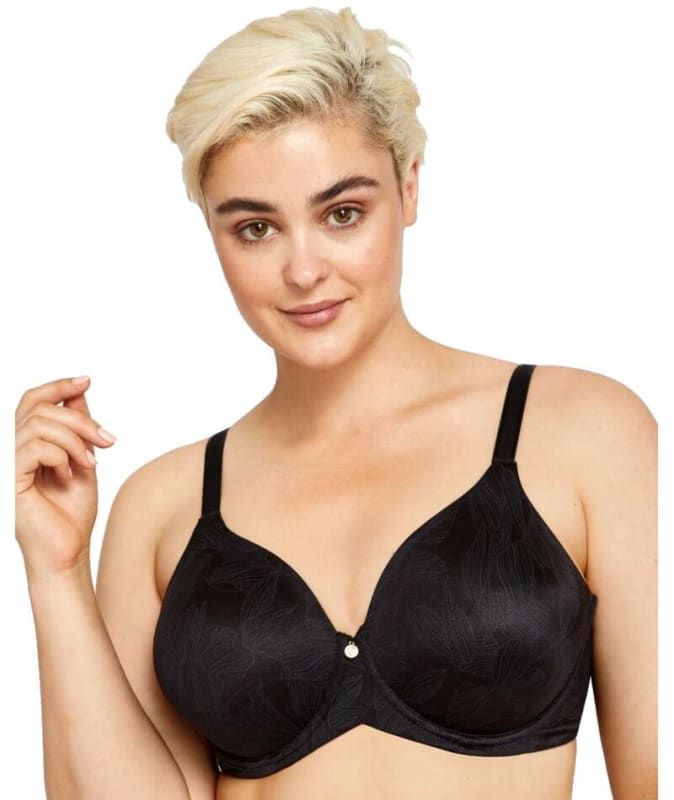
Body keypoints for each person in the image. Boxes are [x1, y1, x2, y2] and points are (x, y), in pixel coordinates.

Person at [14, 6, 657, 799]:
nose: (303, 270)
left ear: (409, 186)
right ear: (212, 231)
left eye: (342, 213)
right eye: (256, 229)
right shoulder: (164, 506)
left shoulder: (584, 433)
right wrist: (56, 571)